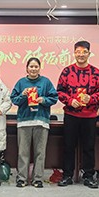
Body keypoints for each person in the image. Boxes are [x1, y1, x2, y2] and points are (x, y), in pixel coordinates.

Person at [57, 40, 99, 189]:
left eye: (84, 52)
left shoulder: (95, 72)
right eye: (78, 52)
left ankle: (89, 176)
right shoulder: (67, 71)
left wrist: (91, 99)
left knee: (89, 147)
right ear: (74, 53)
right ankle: (67, 175)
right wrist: (70, 101)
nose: (81, 55)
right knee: (68, 146)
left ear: (89, 53)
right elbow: (60, 91)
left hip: (90, 116)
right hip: (71, 115)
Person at [10, 57, 58, 188]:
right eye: (31, 66)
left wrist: (43, 100)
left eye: (36, 66)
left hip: (41, 121)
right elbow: (14, 99)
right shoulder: (21, 82)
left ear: (39, 68)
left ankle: (38, 179)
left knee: (40, 152)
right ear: (27, 68)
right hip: (24, 121)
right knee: (23, 152)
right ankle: (22, 178)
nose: (33, 69)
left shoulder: (46, 82)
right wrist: (23, 95)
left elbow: (54, 98)